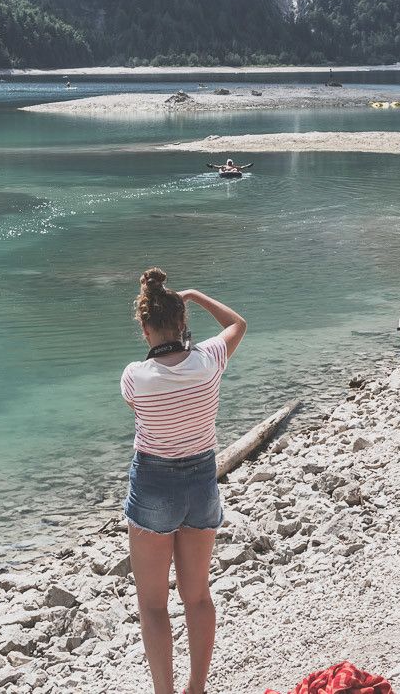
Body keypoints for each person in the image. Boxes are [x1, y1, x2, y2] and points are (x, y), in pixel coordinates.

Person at [120, 268, 247, 694]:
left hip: (154, 485)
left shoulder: (134, 377)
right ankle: (197, 689)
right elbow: (237, 324)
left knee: (153, 604)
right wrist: (194, 293)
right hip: (201, 484)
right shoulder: (210, 360)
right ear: (183, 322)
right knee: (197, 596)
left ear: (143, 326)